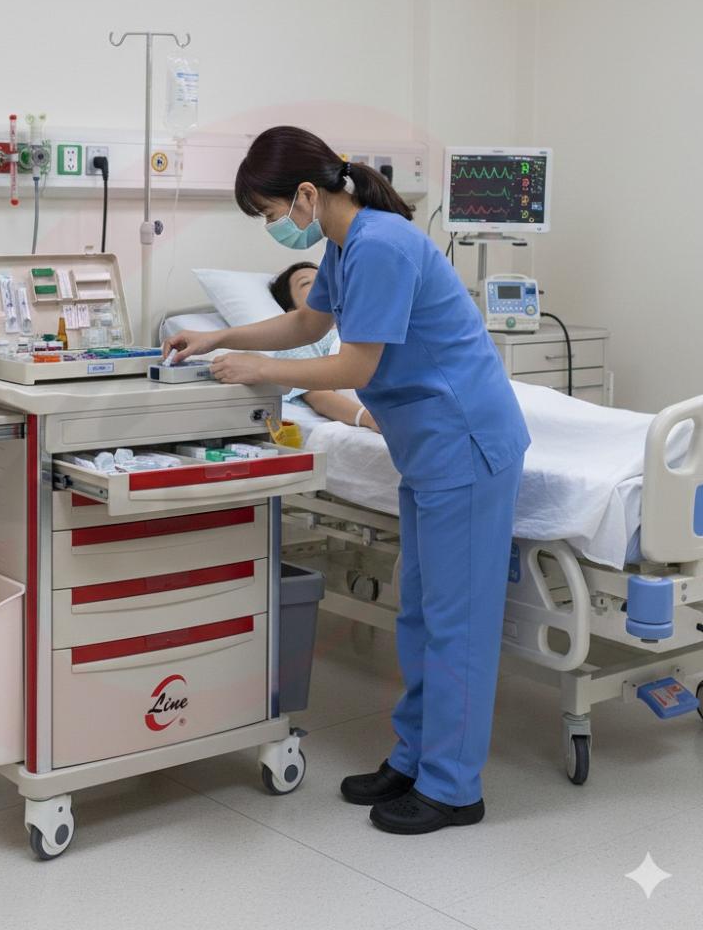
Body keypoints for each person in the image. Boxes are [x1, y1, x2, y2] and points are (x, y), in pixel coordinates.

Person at [164, 126, 530, 835]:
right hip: (428, 447)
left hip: (465, 442)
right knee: (421, 614)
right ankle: (415, 758)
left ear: (307, 193)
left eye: (271, 212)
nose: (273, 226)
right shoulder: (344, 245)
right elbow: (308, 322)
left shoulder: (382, 245)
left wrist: (262, 370)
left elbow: (356, 366)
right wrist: (218, 337)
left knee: (456, 623)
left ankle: (453, 788)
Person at [268, 262, 378, 432]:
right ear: (292, 310)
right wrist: (369, 418)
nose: (322, 284)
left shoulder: (372, 322)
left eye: (324, 278)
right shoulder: (299, 341)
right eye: (306, 283)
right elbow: (318, 394)